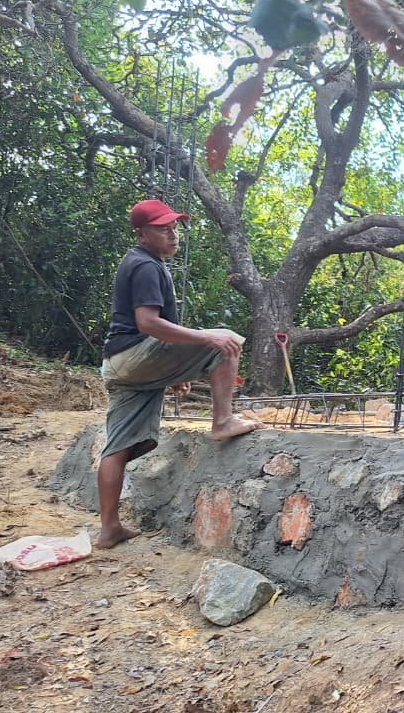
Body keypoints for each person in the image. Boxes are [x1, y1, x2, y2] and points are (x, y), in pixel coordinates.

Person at [96, 199, 262, 549]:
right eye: (162, 229)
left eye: (174, 227)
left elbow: (147, 331)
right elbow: (147, 323)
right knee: (226, 341)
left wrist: (172, 371)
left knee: (116, 446)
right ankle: (223, 420)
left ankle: (109, 528)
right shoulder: (146, 266)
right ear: (141, 234)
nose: (173, 235)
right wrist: (206, 338)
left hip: (118, 363)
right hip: (134, 355)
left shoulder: (138, 260)